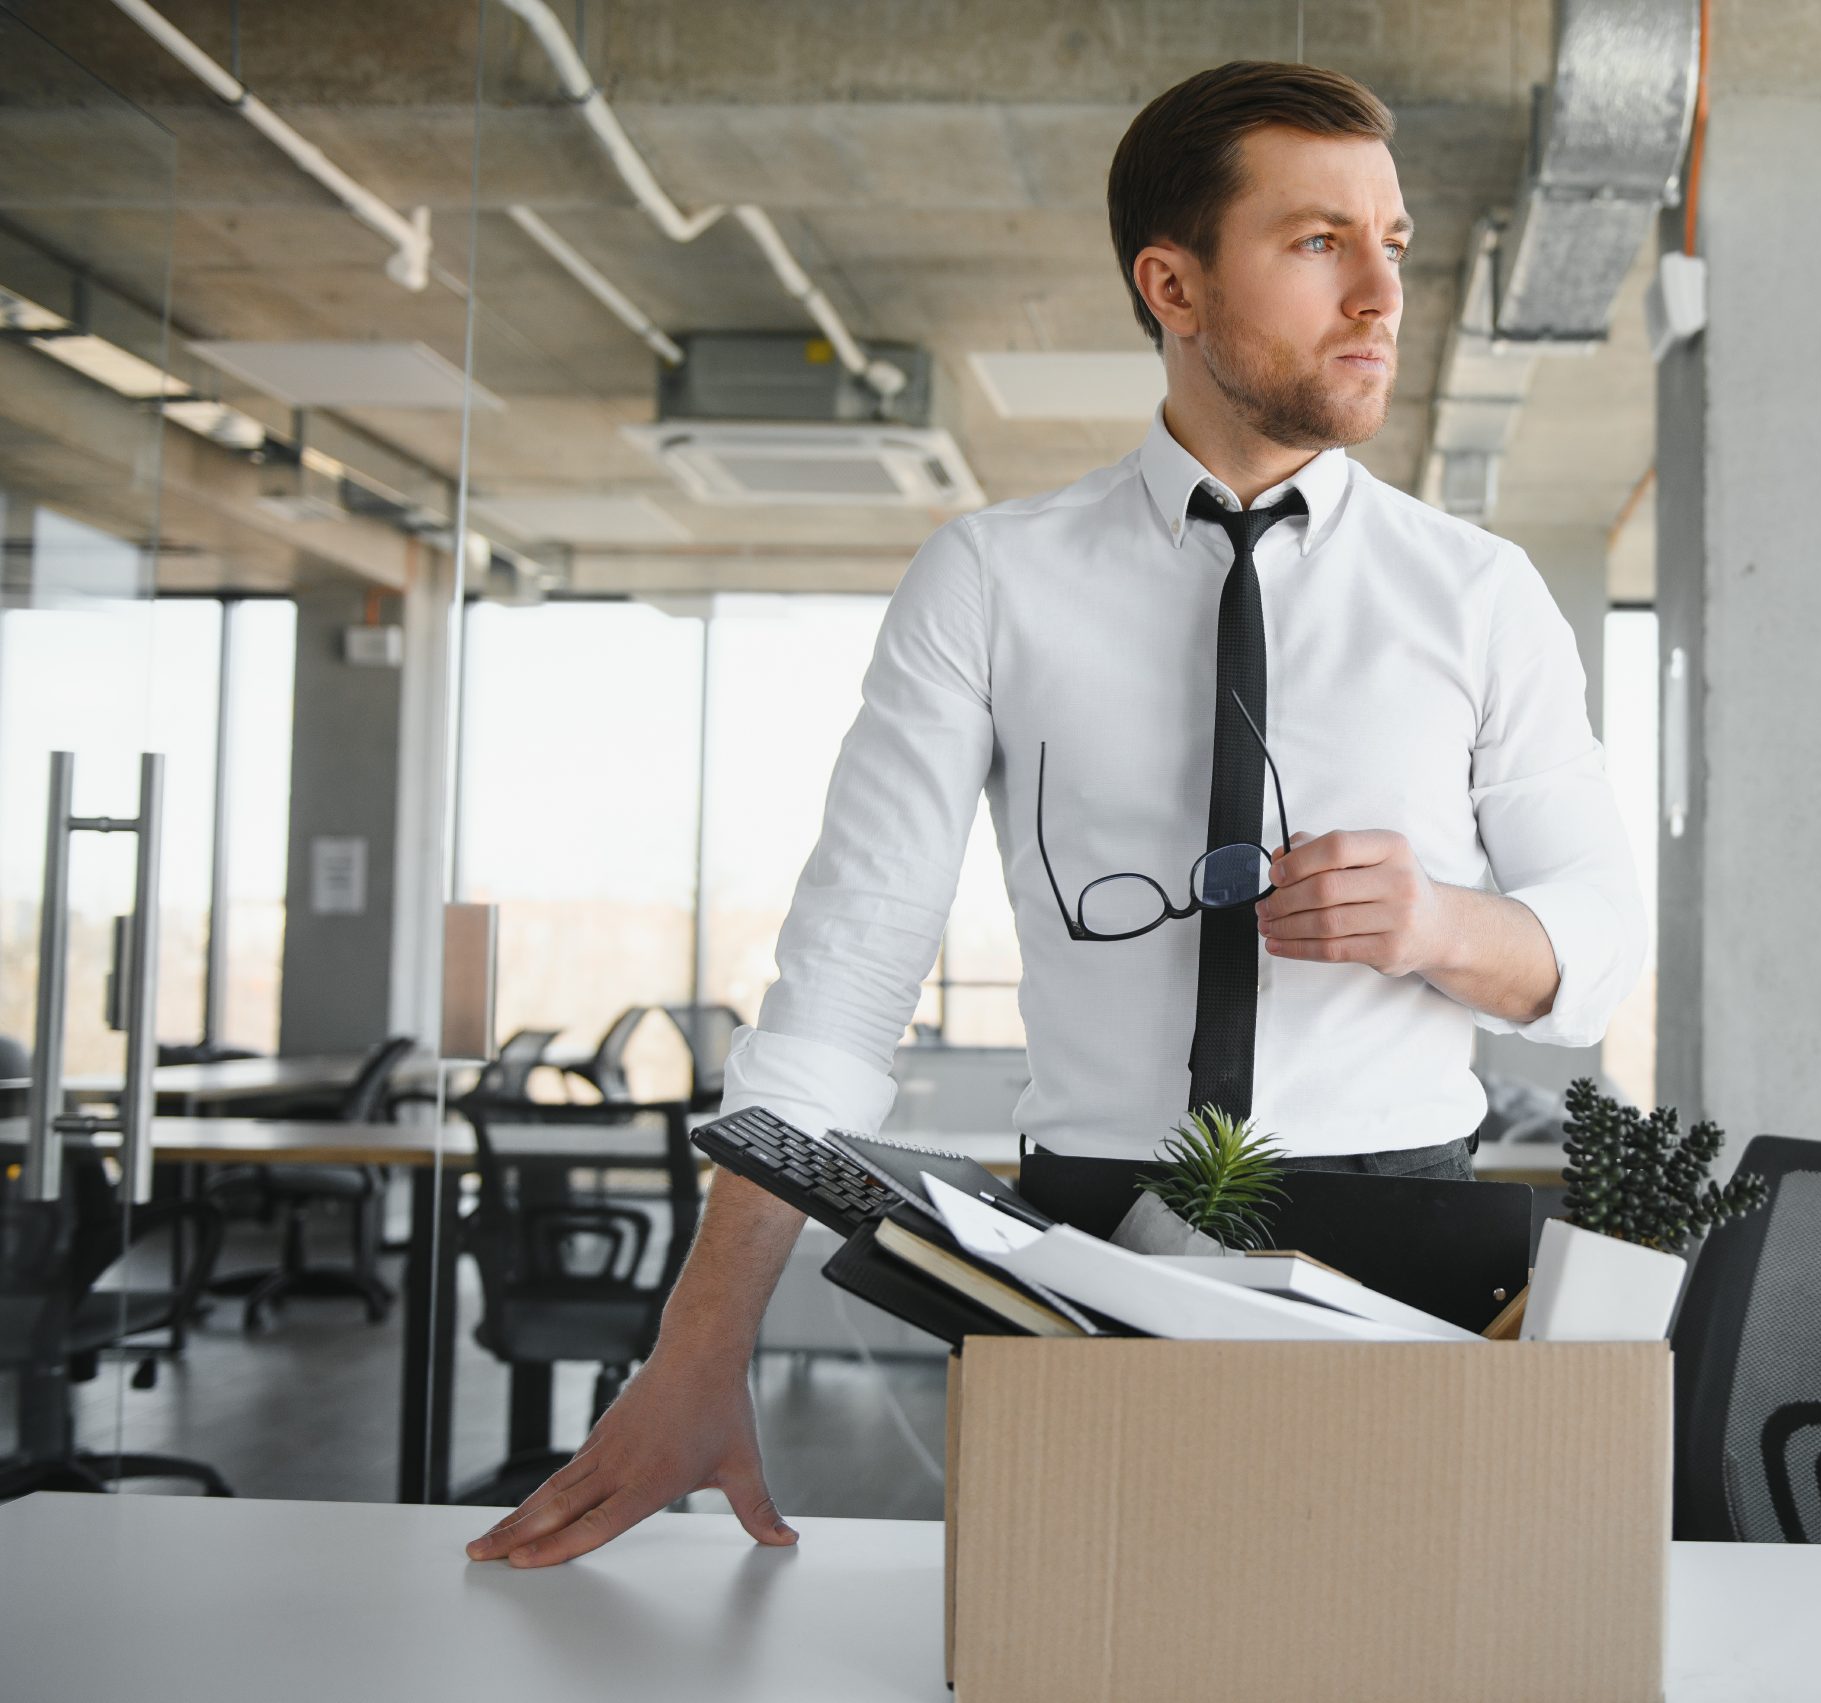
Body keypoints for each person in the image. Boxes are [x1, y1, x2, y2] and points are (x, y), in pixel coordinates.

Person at [466, 58, 1645, 1569]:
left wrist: (1442, 926)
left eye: (1393, 243)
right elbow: (841, 987)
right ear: (1175, 283)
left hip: (1406, 1255)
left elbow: (1596, 955)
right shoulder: (994, 578)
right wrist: (700, 1348)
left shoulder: (1480, 596)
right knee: (1071, 1655)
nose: (1380, 293)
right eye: (1317, 242)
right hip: (1080, 1253)